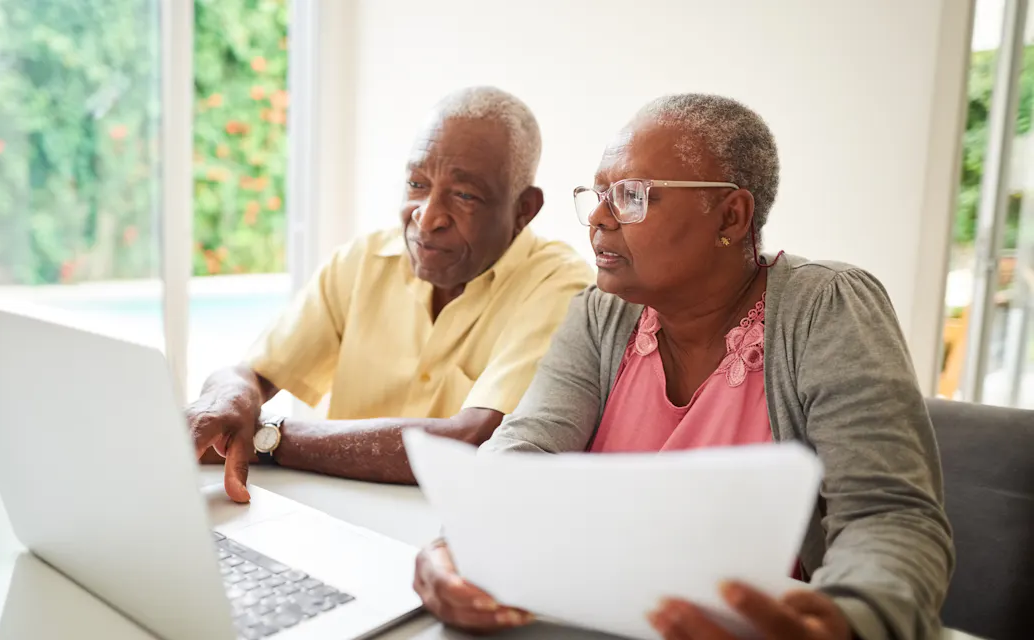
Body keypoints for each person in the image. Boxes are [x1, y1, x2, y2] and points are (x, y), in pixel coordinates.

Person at [413, 94, 953, 640]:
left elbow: (890, 516)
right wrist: (454, 545)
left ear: (731, 216)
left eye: (631, 196)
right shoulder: (602, 313)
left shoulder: (826, 308)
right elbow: (525, 450)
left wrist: (845, 621)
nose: (599, 217)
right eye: (599, 195)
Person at [187, 86, 594, 503]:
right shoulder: (364, 260)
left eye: (465, 195)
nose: (427, 216)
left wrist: (270, 438)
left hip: (450, 537)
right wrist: (228, 401)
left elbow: (475, 439)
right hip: (334, 514)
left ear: (524, 209)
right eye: (417, 184)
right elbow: (253, 374)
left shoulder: (563, 288)